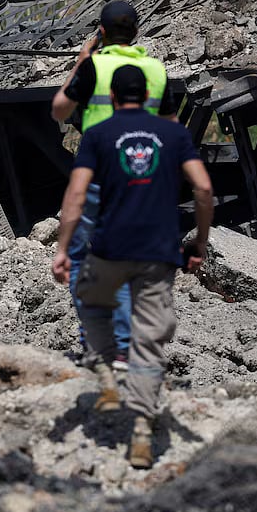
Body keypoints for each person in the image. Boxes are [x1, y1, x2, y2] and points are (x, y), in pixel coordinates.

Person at [51, 64, 213, 469]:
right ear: (148, 96)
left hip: (109, 250)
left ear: (112, 96)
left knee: (91, 303)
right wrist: (200, 240)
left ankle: (106, 371)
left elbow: (76, 195)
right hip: (159, 253)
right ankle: (142, 427)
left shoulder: (98, 134)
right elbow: (204, 187)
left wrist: (63, 247)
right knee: (148, 341)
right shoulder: (174, 134)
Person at [50, 0, 178, 371]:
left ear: (102, 33)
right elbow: (172, 126)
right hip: (144, 175)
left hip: (99, 172)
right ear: (136, 31)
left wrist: (80, 62)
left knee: (81, 256)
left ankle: (102, 342)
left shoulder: (95, 66)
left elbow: (59, 110)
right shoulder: (155, 69)